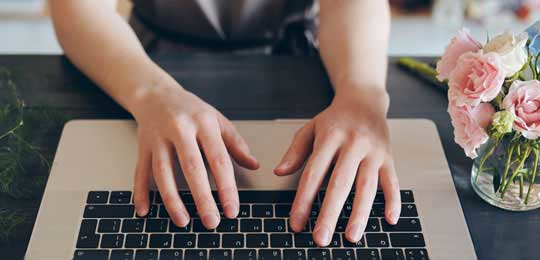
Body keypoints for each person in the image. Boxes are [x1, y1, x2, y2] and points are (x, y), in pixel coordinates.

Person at [49, 0, 400, 247]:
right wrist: (150, 95)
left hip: (298, 66)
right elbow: (78, 6)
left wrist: (362, 94)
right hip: (143, 69)